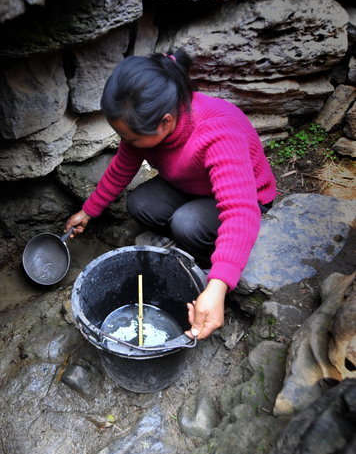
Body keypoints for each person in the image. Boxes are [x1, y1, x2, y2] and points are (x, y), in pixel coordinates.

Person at [64, 49, 277, 341]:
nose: (125, 143)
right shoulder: (144, 124)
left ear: (165, 122)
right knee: (140, 204)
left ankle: (204, 261)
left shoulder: (218, 131)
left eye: (130, 138)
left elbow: (240, 212)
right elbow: (121, 168)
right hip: (192, 185)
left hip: (248, 198)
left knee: (186, 223)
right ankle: (186, 236)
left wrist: (218, 285)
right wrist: (88, 211)